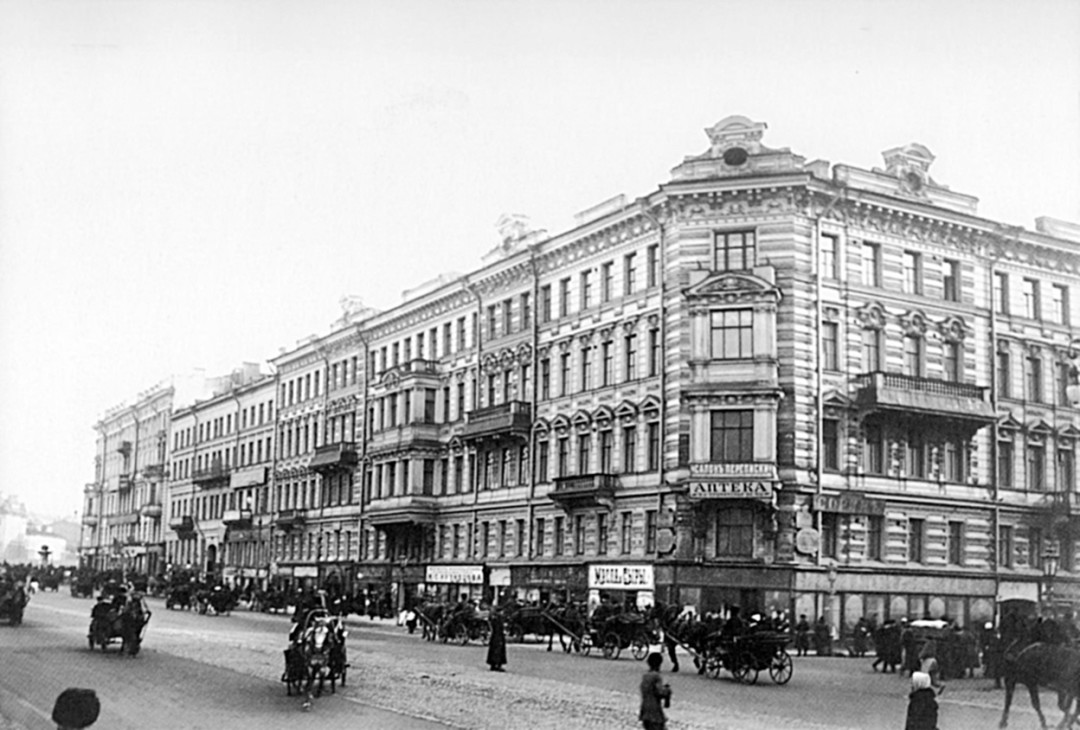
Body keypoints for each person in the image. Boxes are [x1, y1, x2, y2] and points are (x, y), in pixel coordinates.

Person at [639, 651, 672, 730]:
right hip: (655, 711)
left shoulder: (645, 676)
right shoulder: (656, 676)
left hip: (645, 709)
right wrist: (667, 690)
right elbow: (660, 692)